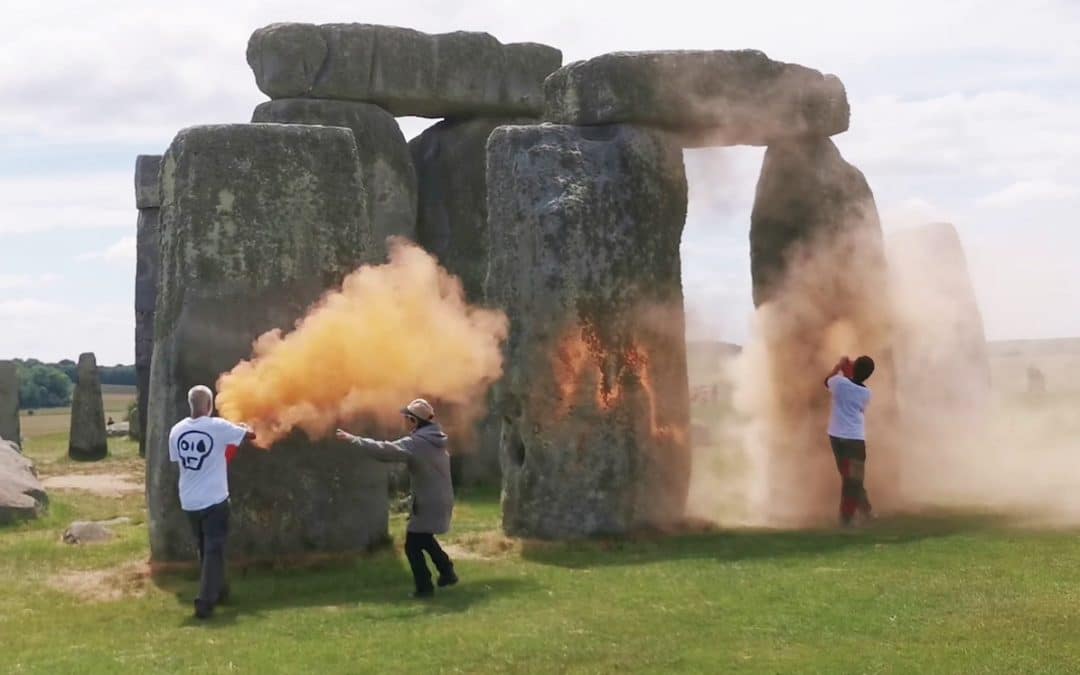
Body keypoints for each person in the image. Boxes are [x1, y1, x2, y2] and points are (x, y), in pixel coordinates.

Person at [335, 398, 457, 599]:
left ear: (414, 421)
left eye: (406, 418)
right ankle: (447, 572)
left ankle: (424, 588)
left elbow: (385, 451)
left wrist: (354, 439)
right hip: (440, 498)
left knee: (412, 545)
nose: (404, 422)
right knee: (424, 538)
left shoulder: (417, 442)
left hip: (427, 502)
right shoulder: (435, 438)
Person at [168, 385, 254, 619]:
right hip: (214, 500)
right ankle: (204, 603)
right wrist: (247, 427)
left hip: (189, 501)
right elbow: (249, 436)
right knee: (214, 550)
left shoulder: (176, 431)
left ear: (191, 405)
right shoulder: (217, 426)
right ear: (209, 405)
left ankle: (219, 591)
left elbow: (178, 461)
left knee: (206, 550)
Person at [824, 355, 875, 526]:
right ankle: (847, 518)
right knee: (853, 479)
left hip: (836, 437)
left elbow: (827, 381)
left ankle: (864, 510)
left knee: (849, 478)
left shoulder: (838, 382)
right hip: (854, 439)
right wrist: (849, 371)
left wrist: (839, 366)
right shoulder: (867, 393)